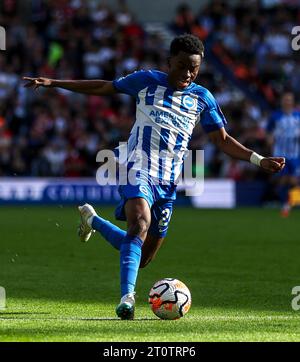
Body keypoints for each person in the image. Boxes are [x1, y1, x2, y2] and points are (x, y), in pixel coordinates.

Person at [23, 34, 285, 320]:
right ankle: (127, 299)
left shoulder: (202, 97)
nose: (187, 73)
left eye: (193, 68)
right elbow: (104, 86)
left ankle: (93, 220)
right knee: (140, 222)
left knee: (143, 256)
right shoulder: (147, 80)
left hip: (169, 182)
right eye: (182, 65)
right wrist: (54, 82)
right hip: (137, 166)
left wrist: (259, 159)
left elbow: (222, 139)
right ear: (169, 61)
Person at [267, 92, 300, 217]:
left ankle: (287, 205)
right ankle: (284, 203)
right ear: (282, 101)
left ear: (293, 102)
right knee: (283, 180)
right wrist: (269, 140)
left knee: (294, 181)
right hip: (279, 154)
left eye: (289, 100)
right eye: (285, 99)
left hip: (295, 154)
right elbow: (268, 132)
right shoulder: (275, 116)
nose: (287, 102)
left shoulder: (298, 116)